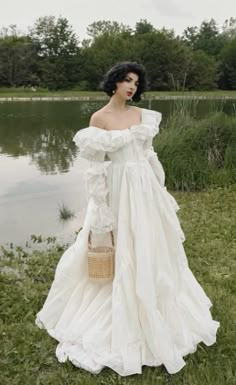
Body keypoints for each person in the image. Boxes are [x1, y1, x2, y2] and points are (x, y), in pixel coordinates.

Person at [35, 61, 220, 376]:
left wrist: (159, 188)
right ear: (114, 83)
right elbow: (94, 168)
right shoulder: (99, 118)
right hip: (119, 190)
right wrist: (101, 209)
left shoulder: (141, 116)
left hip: (144, 188)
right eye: (126, 80)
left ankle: (157, 307)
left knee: (152, 246)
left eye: (136, 82)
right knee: (123, 248)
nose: (132, 86)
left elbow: (149, 154)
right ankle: (122, 309)